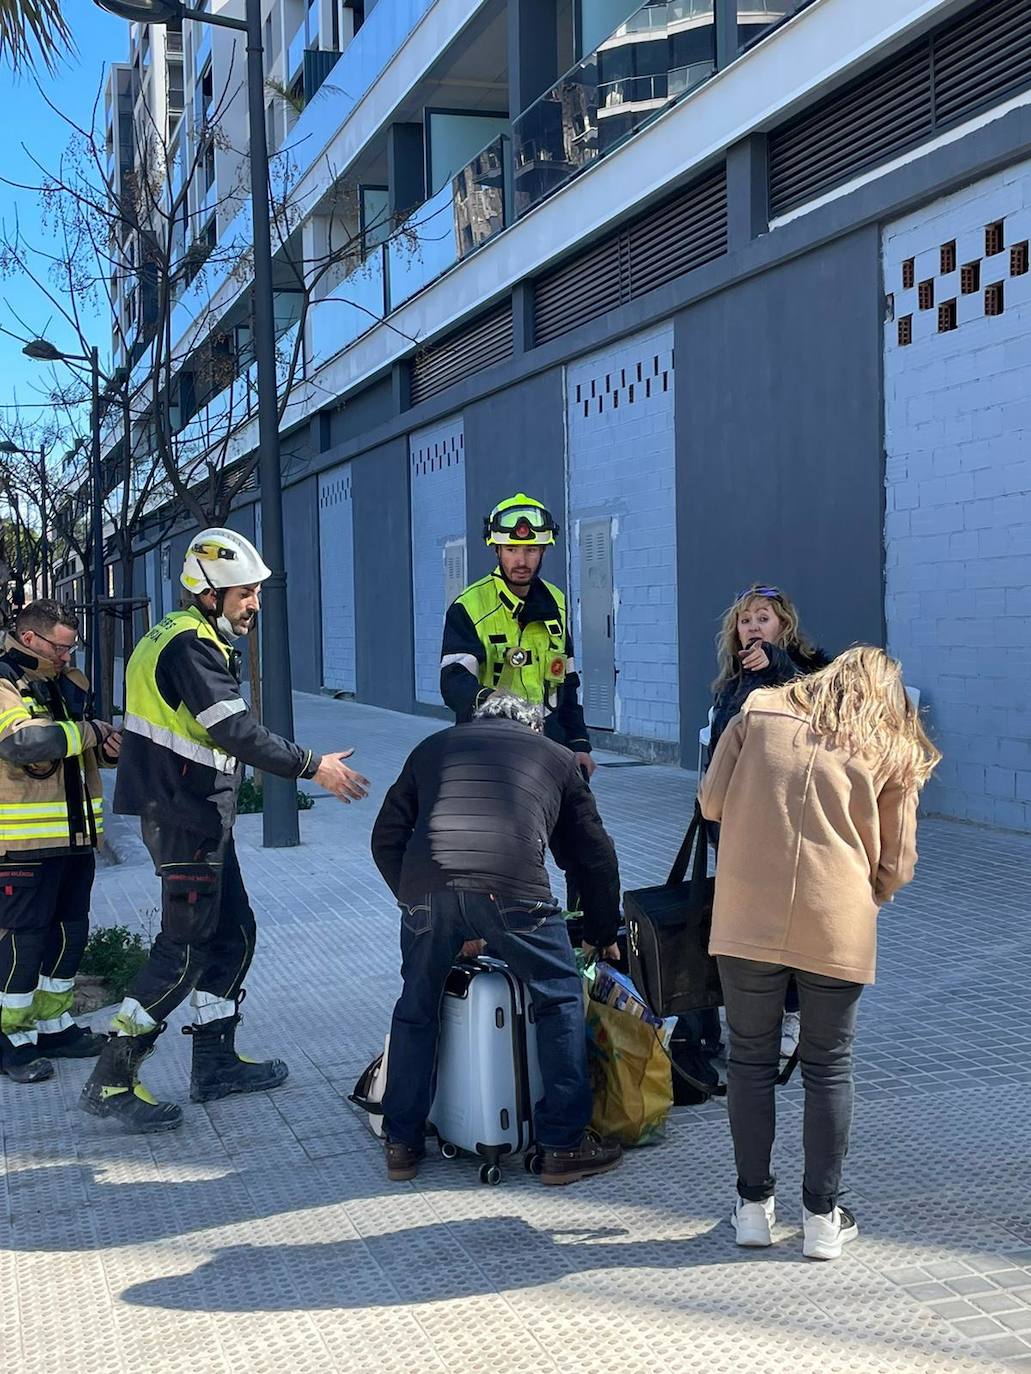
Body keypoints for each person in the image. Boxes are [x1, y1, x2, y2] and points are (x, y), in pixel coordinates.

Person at [79, 528, 370, 1133]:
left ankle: (214, 1062)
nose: (254, 603)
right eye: (245, 593)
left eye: (256, 592)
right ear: (209, 593)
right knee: (182, 951)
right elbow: (235, 731)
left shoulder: (185, 637)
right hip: (184, 815)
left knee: (234, 934)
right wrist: (314, 765)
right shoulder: (191, 648)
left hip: (198, 813)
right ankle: (111, 1075)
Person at [699, 647, 940, 1260]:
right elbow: (899, 861)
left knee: (749, 1061)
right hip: (837, 921)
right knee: (829, 1067)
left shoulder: (758, 710)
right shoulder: (890, 741)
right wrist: (868, 896)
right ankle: (821, 1220)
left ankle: (752, 1208)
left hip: (747, 913)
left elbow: (712, 803)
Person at [370, 690, 623, 1187]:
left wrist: (420, 901)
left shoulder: (431, 747)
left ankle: (401, 1142)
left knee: (416, 1007)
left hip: (428, 889)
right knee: (559, 999)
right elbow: (594, 854)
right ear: (535, 728)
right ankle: (563, 1145)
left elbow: (385, 837)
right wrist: (599, 932)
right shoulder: (556, 755)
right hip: (513, 889)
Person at [0, 600, 121, 1083]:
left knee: (69, 937)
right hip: (22, 842)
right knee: (22, 945)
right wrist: (90, 732)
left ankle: (54, 1026)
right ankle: (11, 1039)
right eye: (60, 646)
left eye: (72, 646)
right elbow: (24, 744)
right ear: (29, 638)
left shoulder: (67, 682)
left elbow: (79, 747)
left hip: (75, 838)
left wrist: (107, 749)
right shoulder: (5, 681)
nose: (68, 655)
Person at [709, 584, 830, 1060]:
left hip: (785, 819)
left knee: (787, 921)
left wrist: (778, 666)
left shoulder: (806, 671)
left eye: (763, 618)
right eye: (745, 620)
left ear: (783, 626)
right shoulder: (731, 681)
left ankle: (795, 1014)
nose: (753, 627)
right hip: (735, 820)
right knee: (746, 921)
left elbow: (818, 704)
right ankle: (756, 1013)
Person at [440, 493, 595, 780]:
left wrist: (579, 743)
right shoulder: (469, 607)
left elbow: (568, 684)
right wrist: (495, 703)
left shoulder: (556, 603)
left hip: (551, 747)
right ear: (496, 549)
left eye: (531, 549)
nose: (521, 560)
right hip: (489, 748)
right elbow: (453, 682)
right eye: (511, 549)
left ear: (544, 551)